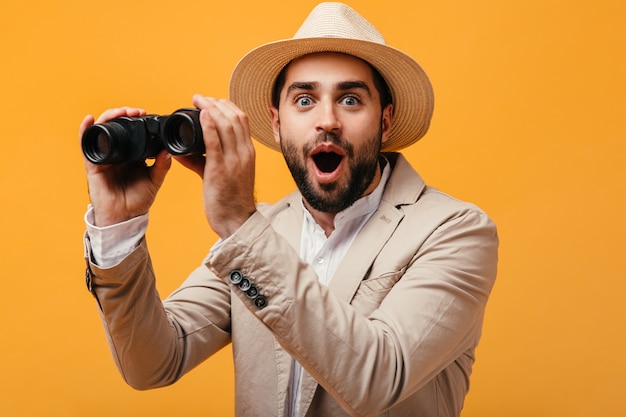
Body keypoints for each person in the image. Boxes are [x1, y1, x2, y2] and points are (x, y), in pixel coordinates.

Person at [80, 2, 498, 417]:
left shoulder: (455, 231)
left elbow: (378, 377)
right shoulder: (263, 232)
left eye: (351, 100)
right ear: (277, 124)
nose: (327, 121)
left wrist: (240, 224)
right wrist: (120, 230)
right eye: (304, 100)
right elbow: (152, 362)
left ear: (385, 122)